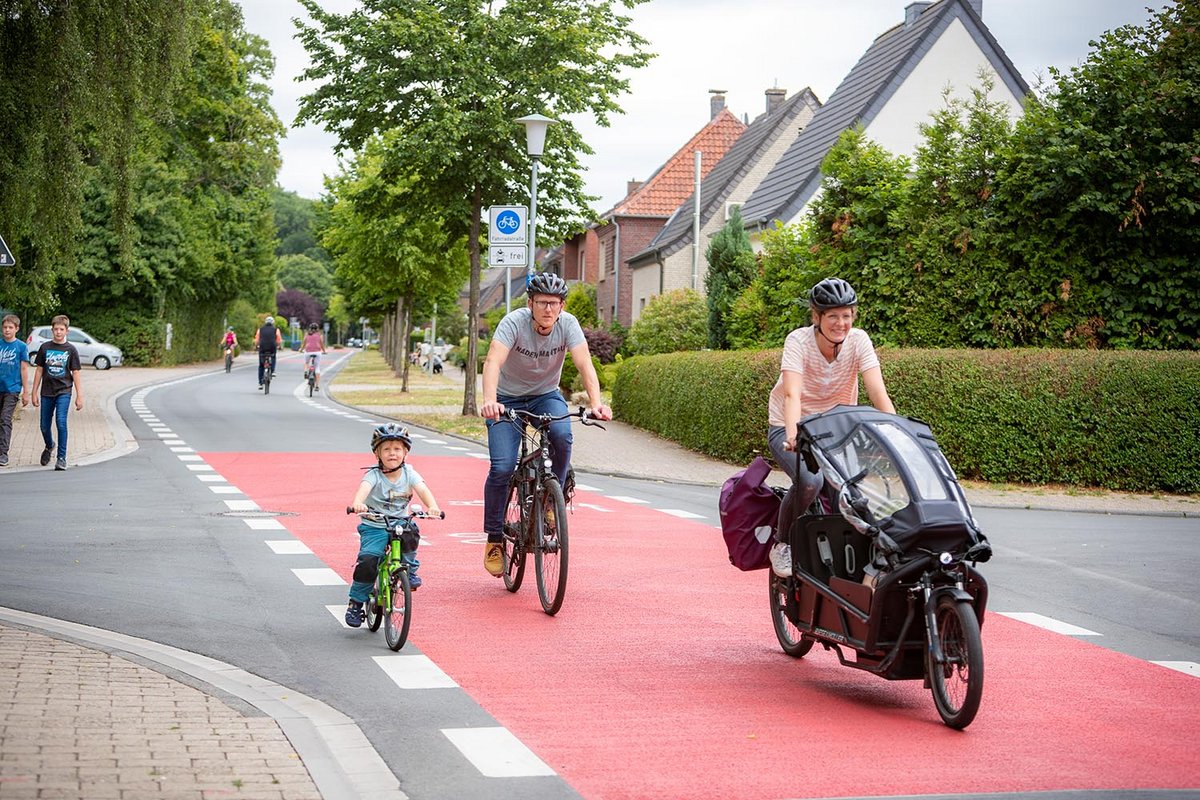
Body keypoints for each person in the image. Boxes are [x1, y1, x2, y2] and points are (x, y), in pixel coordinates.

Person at [478, 272, 612, 577]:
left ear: (562, 305)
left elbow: (584, 364)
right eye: (541, 303)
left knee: (563, 436)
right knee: (501, 467)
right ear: (531, 303)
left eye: (553, 303)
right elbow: (493, 362)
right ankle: (494, 537)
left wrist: (595, 403)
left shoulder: (568, 325)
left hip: (545, 396)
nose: (548, 309)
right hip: (506, 399)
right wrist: (489, 400)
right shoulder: (513, 322)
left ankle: (554, 499)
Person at [766, 277, 895, 577]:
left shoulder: (859, 341)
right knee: (810, 482)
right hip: (790, 427)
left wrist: (894, 430)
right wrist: (792, 434)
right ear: (817, 317)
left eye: (846, 315)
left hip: (835, 431)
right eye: (833, 316)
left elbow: (877, 392)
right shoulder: (798, 342)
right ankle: (782, 544)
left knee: (854, 491)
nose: (841, 323)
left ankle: (852, 563)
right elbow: (791, 394)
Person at [345, 423, 442, 627]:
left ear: (406, 453)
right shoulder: (373, 475)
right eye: (386, 449)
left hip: (399, 521)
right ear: (377, 454)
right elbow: (363, 489)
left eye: (397, 449)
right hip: (374, 524)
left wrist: (433, 506)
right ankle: (356, 602)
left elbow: (422, 490)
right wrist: (358, 504)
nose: (392, 453)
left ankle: (409, 570)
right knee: (369, 559)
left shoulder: (410, 474)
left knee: (411, 533)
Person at [31, 314, 84, 471]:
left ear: (67, 331)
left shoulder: (71, 350)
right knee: (44, 427)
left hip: (64, 391)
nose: (58, 332)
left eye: (61, 329)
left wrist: (80, 396)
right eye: (55, 329)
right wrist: (33, 392)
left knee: (61, 422)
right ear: (52, 330)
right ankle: (49, 446)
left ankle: (61, 458)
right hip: (46, 392)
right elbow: (39, 370)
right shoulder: (45, 347)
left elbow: (75, 373)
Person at [0, 314, 31, 467]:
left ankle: (3, 452)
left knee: (5, 419)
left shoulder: (21, 347)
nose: (7, 330)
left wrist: (26, 391)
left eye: (10, 327)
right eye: (5, 327)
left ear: (16, 329)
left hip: (12, 388)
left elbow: (24, 369)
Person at [253, 316, 283, 389]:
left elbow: (257, 340)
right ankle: (272, 371)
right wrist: (279, 346)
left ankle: (260, 382)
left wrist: (256, 346)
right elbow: (279, 339)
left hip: (262, 347)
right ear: (273, 323)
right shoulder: (276, 330)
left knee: (261, 365)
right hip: (272, 347)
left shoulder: (260, 330)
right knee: (273, 356)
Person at [301, 323, 326, 390]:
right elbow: (321, 344)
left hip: (308, 351)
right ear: (317, 329)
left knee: (306, 362)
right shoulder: (319, 335)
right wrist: (324, 351)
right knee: (317, 367)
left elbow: (304, 343)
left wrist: (301, 349)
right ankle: (317, 386)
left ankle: (306, 372)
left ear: (310, 328)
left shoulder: (307, 334)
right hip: (317, 352)